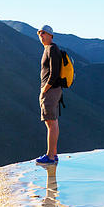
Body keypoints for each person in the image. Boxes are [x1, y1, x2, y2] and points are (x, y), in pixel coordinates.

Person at [36, 24, 62, 165]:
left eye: (44, 33)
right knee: (53, 122)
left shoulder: (52, 49)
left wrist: (45, 88)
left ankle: (50, 156)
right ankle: (54, 154)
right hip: (53, 90)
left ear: (51, 35)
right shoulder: (49, 49)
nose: (41, 35)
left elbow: (54, 72)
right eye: (40, 33)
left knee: (50, 123)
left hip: (51, 90)